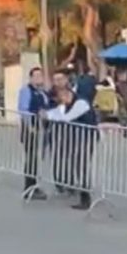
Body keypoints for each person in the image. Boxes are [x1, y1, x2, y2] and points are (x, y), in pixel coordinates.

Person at [46, 86, 99, 210]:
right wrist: (46, 114)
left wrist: (49, 116)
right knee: (78, 166)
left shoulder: (81, 103)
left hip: (86, 139)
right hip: (77, 139)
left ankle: (86, 198)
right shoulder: (66, 104)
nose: (61, 101)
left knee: (82, 167)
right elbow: (56, 112)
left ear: (67, 93)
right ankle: (82, 194)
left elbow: (67, 117)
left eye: (61, 97)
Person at [17, 67, 50, 200]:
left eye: (40, 76)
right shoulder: (26, 91)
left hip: (41, 128)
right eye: (35, 76)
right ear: (30, 78)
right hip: (31, 128)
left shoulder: (42, 92)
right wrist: (30, 125)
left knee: (36, 158)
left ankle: (35, 184)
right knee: (31, 158)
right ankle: (29, 186)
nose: (38, 78)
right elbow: (23, 109)